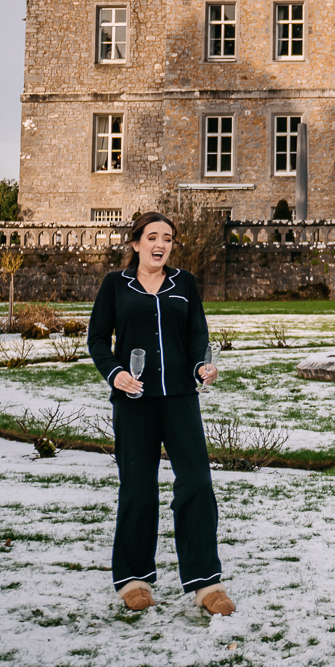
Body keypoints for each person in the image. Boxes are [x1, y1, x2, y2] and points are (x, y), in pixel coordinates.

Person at [87, 211, 231, 615]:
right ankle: (133, 580)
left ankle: (206, 583)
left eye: (167, 238)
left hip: (181, 399)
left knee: (197, 483)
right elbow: (97, 338)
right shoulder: (116, 285)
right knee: (138, 487)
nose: (160, 244)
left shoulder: (184, 283)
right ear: (136, 244)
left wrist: (202, 366)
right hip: (134, 403)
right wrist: (115, 374)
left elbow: (196, 334)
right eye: (152, 237)